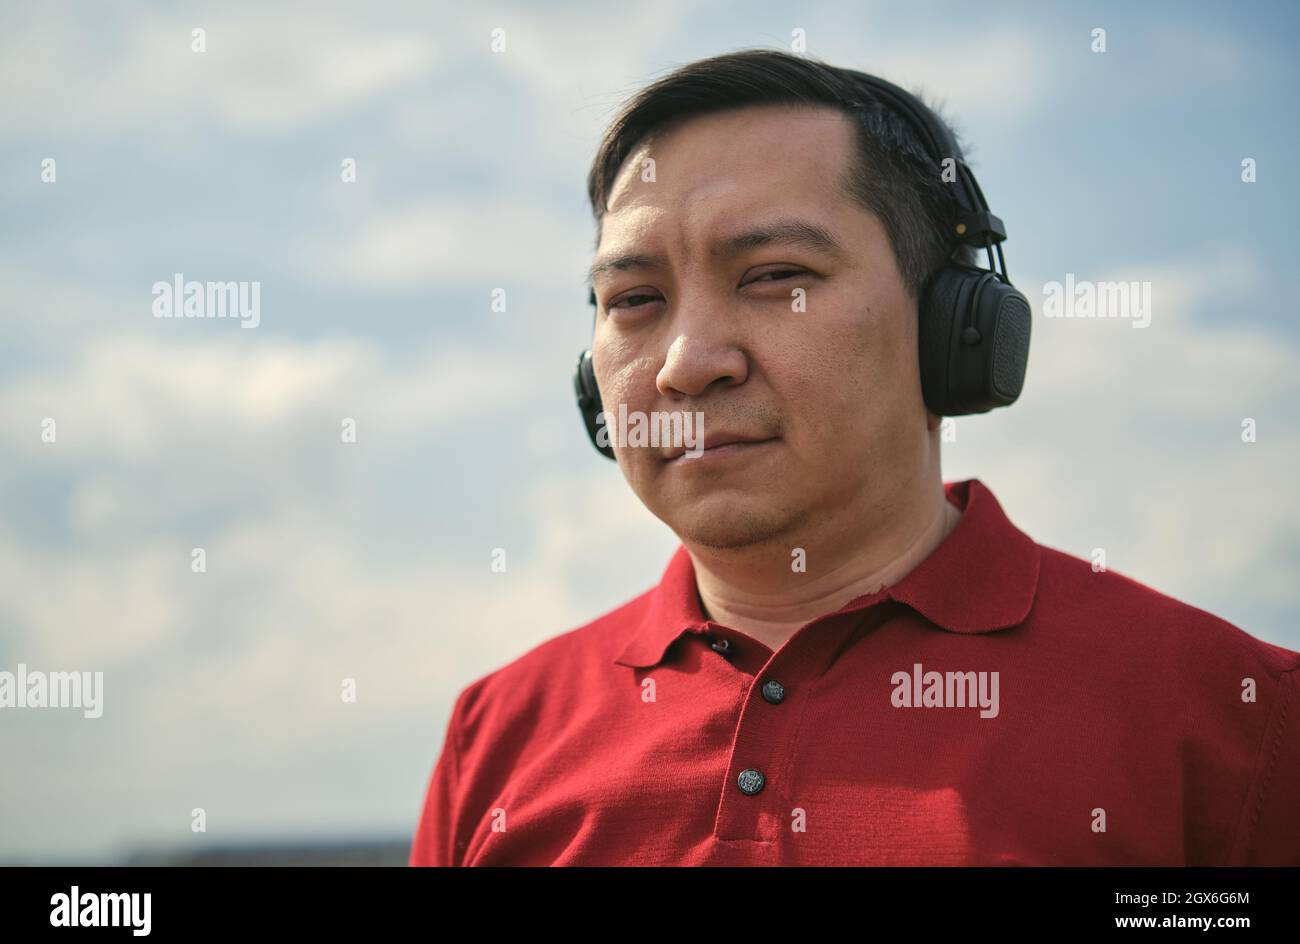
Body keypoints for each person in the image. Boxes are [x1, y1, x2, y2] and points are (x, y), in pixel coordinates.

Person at [410, 49, 1300, 866]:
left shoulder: (1243, 721)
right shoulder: (491, 736)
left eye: (772, 277)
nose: (685, 364)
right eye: (634, 298)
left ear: (956, 327)